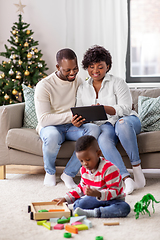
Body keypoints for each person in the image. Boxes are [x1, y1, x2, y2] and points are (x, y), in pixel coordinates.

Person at [76, 45, 146, 195]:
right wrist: (78, 120)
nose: (95, 71)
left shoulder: (118, 82)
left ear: (107, 66)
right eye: (91, 67)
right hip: (104, 125)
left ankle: (138, 172)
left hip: (126, 120)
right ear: (86, 68)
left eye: (100, 67)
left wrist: (105, 108)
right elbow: (79, 109)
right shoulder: (83, 88)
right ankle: (126, 179)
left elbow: (126, 108)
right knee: (102, 140)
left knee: (122, 125)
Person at [34, 48, 100, 189]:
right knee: (51, 135)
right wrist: (70, 117)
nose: (72, 73)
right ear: (58, 67)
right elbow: (44, 120)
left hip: (71, 126)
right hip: (51, 127)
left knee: (94, 130)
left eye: (75, 69)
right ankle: (50, 172)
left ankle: (68, 174)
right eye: (67, 70)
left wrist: (88, 113)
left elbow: (83, 105)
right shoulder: (44, 86)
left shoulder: (78, 81)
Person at [53, 135, 131, 218]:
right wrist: (65, 199)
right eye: (81, 161)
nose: (85, 164)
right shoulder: (84, 170)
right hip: (95, 198)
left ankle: (93, 213)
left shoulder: (110, 169)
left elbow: (115, 191)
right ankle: (101, 210)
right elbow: (80, 188)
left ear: (98, 153)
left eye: (88, 159)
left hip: (113, 200)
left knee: (124, 208)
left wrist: (98, 194)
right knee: (78, 204)